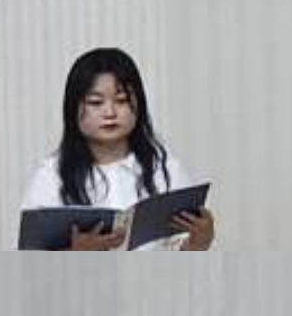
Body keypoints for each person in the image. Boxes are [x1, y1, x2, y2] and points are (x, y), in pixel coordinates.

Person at [21, 48, 215, 248]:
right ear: (73, 108)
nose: (110, 112)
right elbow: (30, 259)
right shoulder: (51, 176)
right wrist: (74, 254)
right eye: (96, 102)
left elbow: (182, 251)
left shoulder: (164, 168)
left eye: (121, 100)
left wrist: (199, 241)